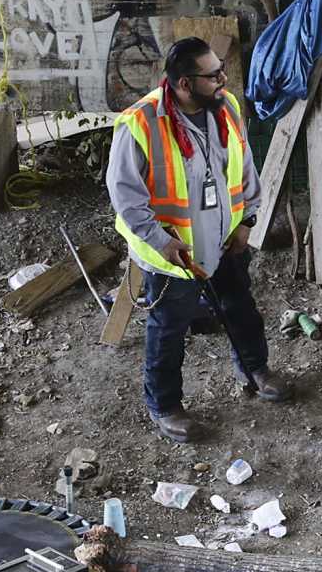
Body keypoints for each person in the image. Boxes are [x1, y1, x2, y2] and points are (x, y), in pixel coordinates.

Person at [108, 37, 288, 443]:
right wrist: (162, 241)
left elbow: (245, 169)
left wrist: (248, 221)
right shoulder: (140, 124)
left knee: (240, 307)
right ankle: (165, 407)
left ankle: (254, 369)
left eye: (221, 69)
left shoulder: (226, 108)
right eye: (213, 75)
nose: (223, 79)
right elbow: (126, 198)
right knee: (169, 328)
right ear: (185, 84)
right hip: (174, 254)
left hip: (225, 241)